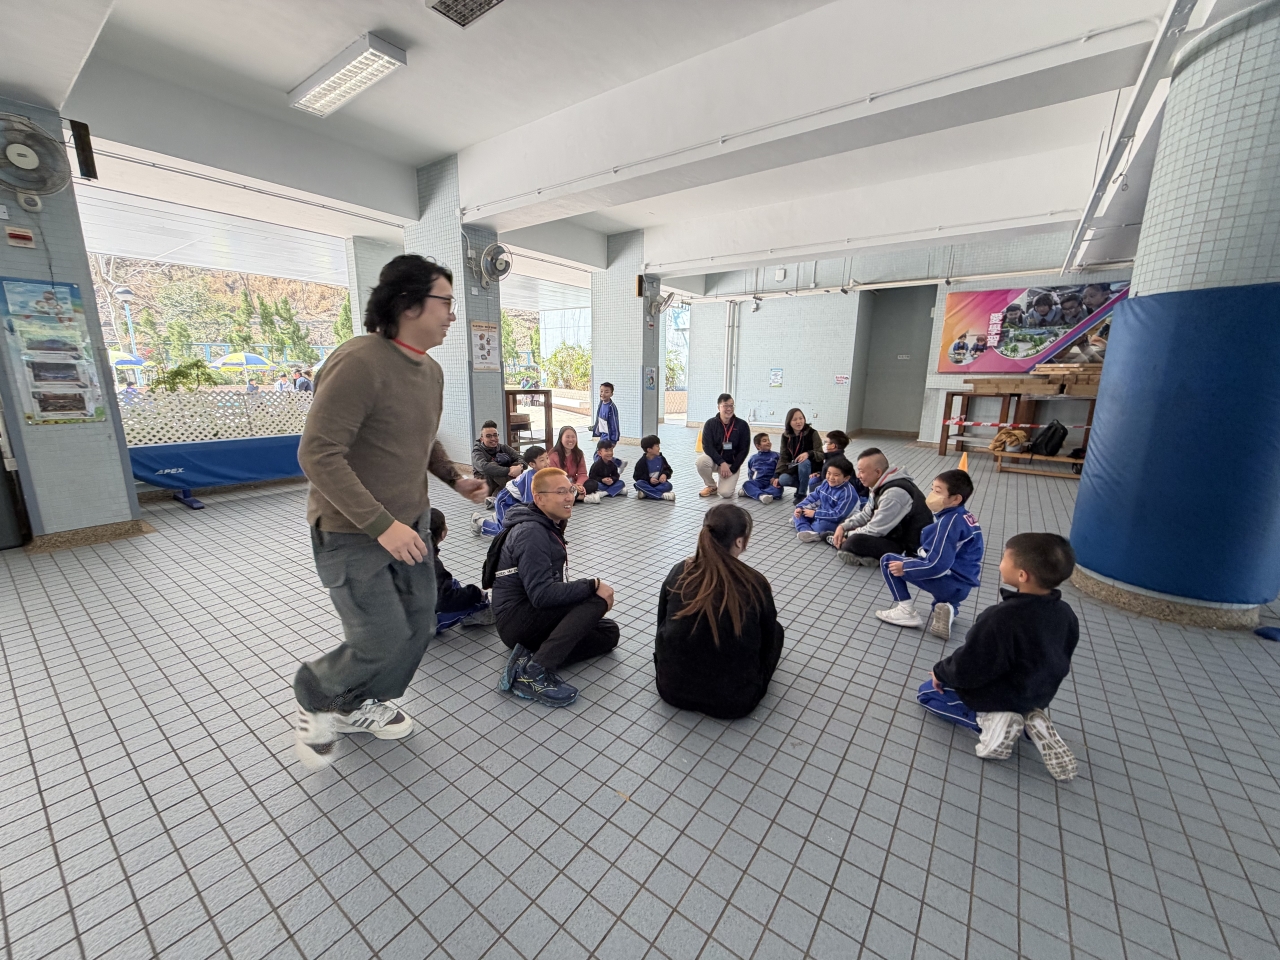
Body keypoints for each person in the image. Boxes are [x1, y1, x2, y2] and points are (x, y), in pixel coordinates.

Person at [292, 254, 487, 770]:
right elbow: (318, 454)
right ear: (408, 304)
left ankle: (356, 704)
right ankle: (317, 687)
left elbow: (420, 441)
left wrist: (454, 479)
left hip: (411, 525)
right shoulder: (359, 361)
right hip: (351, 532)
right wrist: (382, 526)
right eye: (445, 302)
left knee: (419, 623)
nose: (452, 314)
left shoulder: (431, 372)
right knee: (378, 635)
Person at [915, 533, 1080, 781]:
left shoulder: (1001, 618)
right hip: (1038, 693)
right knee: (1017, 693)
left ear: (1022, 575)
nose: (1000, 563)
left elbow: (970, 666)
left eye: (1004, 558)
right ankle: (1028, 722)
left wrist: (940, 673)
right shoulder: (1066, 614)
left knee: (926, 694)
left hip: (997, 695)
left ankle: (990, 720)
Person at [493, 467, 620, 707]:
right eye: (560, 492)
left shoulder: (547, 523)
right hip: (516, 620)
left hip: (530, 613)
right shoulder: (531, 533)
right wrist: (592, 584)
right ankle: (533, 672)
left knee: (608, 633)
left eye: (570, 490)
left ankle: (531, 656)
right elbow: (541, 595)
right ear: (539, 498)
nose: (569, 497)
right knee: (597, 598)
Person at [654, 503, 784, 719]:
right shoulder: (754, 583)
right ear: (740, 541)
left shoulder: (680, 571)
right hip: (735, 703)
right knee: (777, 630)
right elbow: (767, 639)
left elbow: (662, 622)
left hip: (672, 689)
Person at [874, 469, 984, 640]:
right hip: (964, 584)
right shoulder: (965, 517)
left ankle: (905, 610)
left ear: (956, 499)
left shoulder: (948, 523)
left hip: (948, 580)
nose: (932, 495)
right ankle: (949, 608)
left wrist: (905, 567)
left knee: (888, 561)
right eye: (932, 489)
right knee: (942, 602)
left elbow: (937, 564)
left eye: (938, 491)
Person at [830, 449, 933, 566]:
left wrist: (847, 535)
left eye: (861, 472)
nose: (858, 476)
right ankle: (860, 553)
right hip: (892, 532)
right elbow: (866, 514)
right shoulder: (880, 484)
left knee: (853, 542)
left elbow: (876, 529)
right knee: (844, 529)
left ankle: (881, 558)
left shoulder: (894, 493)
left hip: (908, 545)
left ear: (878, 472)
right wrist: (843, 527)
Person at [429, 509, 495, 632]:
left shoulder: (407, 551)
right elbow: (445, 601)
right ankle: (480, 610)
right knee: (473, 602)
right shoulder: (429, 562)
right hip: (414, 627)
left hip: (397, 613)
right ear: (443, 534)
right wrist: (476, 593)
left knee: (452, 583)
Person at [474, 445, 548, 537]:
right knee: (505, 533)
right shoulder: (532, 478)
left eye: (547, 458)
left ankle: (500, 517)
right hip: (505, 500)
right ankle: (479, 522)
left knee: (516, 529)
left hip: (515, 502)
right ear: (532, 464)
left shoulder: (543, 474)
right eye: (542, 460)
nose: (547, 462)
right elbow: (529, 504)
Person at [793, 456, 859, 542]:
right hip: (822, 513)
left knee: (821, 526)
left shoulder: (848, 493)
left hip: (839, 520)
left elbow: (839, 515)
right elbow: (813, 497)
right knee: (798, 514)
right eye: (829, 473)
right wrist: (800, 507)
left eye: (836, 475)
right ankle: (807, 531)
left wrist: (815, 514)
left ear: (846, 478)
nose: (831, 477)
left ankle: (807, 528)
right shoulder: (826, 483)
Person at [697, 393, 750, 498]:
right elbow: (707, 446)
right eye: (726, 406)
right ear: (719, 407)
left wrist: (733, 469)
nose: (729, 409)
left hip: (731, 464)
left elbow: (744, 450)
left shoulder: (742, 425)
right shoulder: (710, 424)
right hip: (715, 461)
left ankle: (723, 483)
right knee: (701, 462)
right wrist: (721, 462)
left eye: (731, 405)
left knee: (725, 494)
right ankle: (711, 486)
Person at [772, 408, 823, 503]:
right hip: (795, 468)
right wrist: (777, 475)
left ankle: (802, 494)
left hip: (812, 468)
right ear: (789, 422)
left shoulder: (812, 433)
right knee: (783, 480)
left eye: (801, 418)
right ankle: (801, 485)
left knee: (803, 462)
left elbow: (821, 454)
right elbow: (783, 457)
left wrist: (808, 454)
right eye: (795, 419)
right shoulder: (786, 436)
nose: (799, 422)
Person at [472, 420, 525, 498]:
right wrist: (509, 470)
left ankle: (499, 494)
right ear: (481, 439)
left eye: (495, 435)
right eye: (488, 436)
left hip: (501, 483)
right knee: (493, 467)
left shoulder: (503, 447)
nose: (493, 438)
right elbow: (484, 467)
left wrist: (520, 466)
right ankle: (517, 490)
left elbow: (521, 458)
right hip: (485, 485)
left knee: (517, 465)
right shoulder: (477, 451)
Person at [590, 381, 625, 474]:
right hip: (603, 435)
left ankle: (603, 472)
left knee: (598, 455)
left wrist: (614, 440)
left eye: (606, 392)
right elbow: (600, 419)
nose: (603, 394)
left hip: (608, 437)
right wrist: (595, 428)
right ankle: (619, 463)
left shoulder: (611, 407)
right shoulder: (601, 403)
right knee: (602, 456)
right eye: (601, 391)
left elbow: (615, 424)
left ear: (611, 394)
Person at [549, 425, 589, 501]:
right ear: (561, 439)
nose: (571, 440)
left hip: (574, 482)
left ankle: (576, 496)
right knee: (559, 489)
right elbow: (555, 478)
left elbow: (583, 473)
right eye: (567, 437)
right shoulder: (553, 455)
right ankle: (579, 497)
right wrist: (573, 486)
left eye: (573, 437)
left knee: (592, 484)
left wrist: (579, 484)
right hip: (560, 483)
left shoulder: (578, 453)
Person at [740, 433, 781, 502]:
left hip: (772, 482)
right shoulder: (753, 458)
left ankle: (751, 492)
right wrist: (751, 481)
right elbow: (750, 472)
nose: (768, 442)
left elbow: (781, 469)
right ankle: (761, 495)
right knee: (746, 484)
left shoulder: (777, 455)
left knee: (778, 491)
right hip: (759, 482)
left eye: (768, 440)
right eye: (764, 441)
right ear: (758, 446)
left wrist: (776, 477)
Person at [634, 435, 675, 500]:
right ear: (649, 449)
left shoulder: (661, 459)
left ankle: (646, 493)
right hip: (647, 484)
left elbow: (668, 469)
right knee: (638, 484)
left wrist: (664, 474)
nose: (659, 448)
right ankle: (662, 496)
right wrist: (649, 479)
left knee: (668, 486)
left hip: (659, 484)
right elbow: (637, 476)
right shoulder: (641, 462)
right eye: (657, 446)